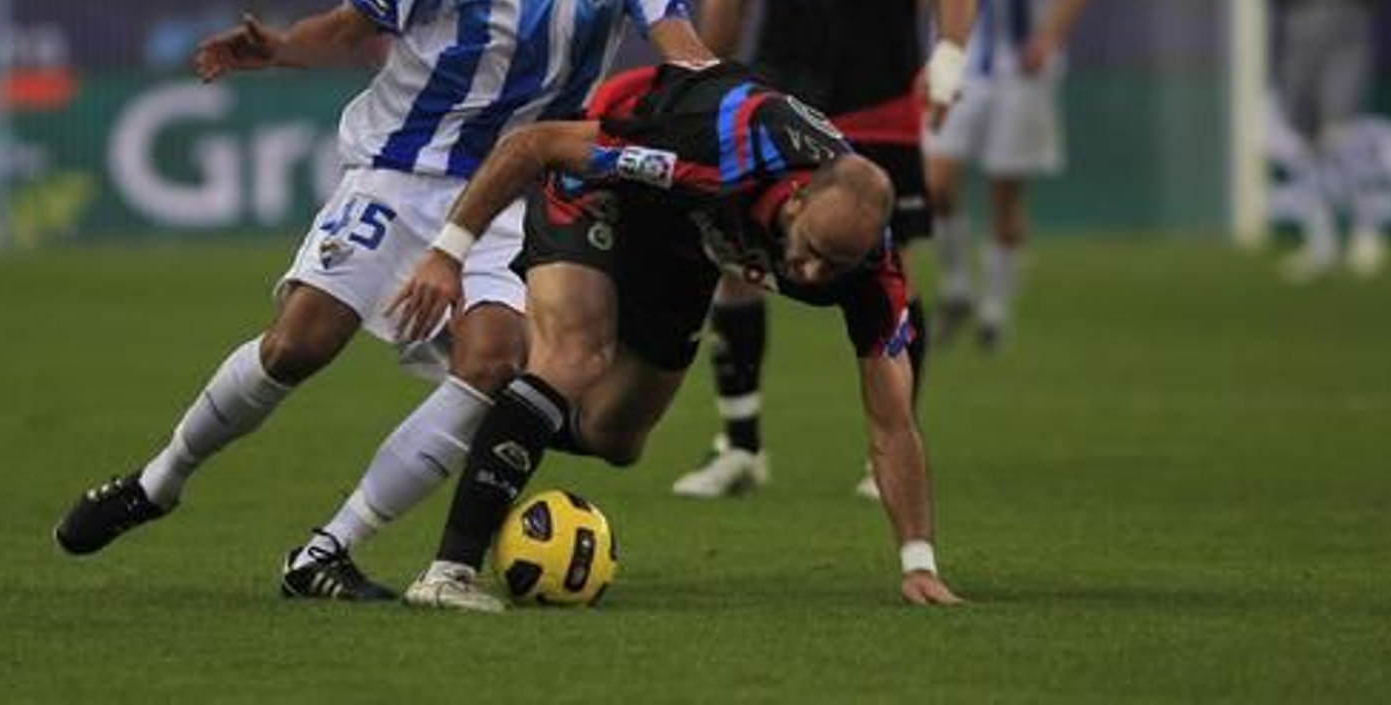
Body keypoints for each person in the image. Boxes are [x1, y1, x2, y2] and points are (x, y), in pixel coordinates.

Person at [52, 0, 715, 599]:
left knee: (497, 360)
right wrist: (283, 47)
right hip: (399, 175)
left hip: (513, 203)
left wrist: (727, 109)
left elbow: (683, 48)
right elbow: (354, 25)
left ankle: (328, 549)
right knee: (298, 343)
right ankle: (159, 481)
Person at [387, 60, 964, 612]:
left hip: (690, 243)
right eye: (811, 250)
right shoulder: (715, 154)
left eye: (834, 265)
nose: (812, 273)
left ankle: (493, 381)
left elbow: (893, 425)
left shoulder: (873, 275)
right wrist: (447, 255)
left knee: (615, 436)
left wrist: (919, 563)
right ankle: (449, 571)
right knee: (574, 359)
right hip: (607, 190)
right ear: (798, 197)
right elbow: (533, 144)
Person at [669, 0, 977, 502]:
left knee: (891, 271)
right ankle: (740, 445)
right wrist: (702, 76)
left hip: (879, 103)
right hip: (785, 110)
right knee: (736, 261)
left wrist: (948, 55)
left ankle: (894, 446)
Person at [924, 0, 1094, 351]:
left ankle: (995, 310)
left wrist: (1048, 36)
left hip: (1020, 68)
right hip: (957, 61)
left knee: (1005, 191)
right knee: (936, 184)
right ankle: (955, 287)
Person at [1268, 0, 1391, 281]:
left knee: (1341, 136)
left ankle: (1367, 231)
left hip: (1345, 37)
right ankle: (1319, 240)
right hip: (1298, 41)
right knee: (1302, 143)